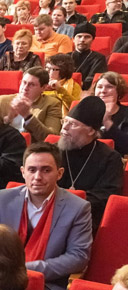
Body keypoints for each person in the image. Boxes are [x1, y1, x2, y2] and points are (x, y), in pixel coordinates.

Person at [0, 141, 93, 290]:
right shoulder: (4, 198)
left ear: (59, 173)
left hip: (46, 285)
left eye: (46, 170)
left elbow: (79, 256)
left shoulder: (78, 208)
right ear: (23, 172)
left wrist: (29, 269)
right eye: (32, 170)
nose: (37, 177)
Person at [57, 96, 124, 230]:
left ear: (91, 130)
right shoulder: (52, 151)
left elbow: (104, 197)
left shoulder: (110, 159)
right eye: (65, 121)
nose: (64, 128)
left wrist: (67, 203)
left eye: (73, 124)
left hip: (84, 220)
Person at [0, 67, 64, 143]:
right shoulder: (2, 101)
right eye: (24, 82)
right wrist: (8, 119)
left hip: (32, 148)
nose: (25, 88)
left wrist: (28, 117)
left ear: (43, 88)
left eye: (31, 85)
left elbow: (51, 138)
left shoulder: (52, 104)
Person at [72, 23, 108, 92]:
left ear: (93, 40)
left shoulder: (99, 58)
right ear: (73, 39)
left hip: (87, 91)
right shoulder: (64, 57)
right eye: (79, 36)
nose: (82, 40)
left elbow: (94, 80)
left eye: (87, 37)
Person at [98, 72, 128, 155]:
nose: (103, 91)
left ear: (118, 91)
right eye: (99, 87)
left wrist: (107, 122)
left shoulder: (126, 113)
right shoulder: (85, 110)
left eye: (109, 87)